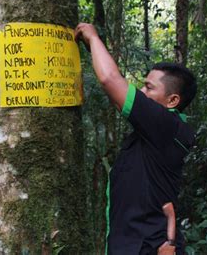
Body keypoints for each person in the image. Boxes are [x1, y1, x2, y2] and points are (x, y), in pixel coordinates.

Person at [75, 23, 197, 255]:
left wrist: (93, 37)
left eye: (149, 88)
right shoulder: (160, 130)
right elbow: (116, 96)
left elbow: (111, 80)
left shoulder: (164, 125)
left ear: (172, 101)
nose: (142, 92)